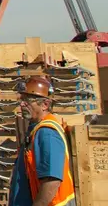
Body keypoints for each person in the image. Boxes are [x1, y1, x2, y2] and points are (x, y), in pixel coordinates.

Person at [8, 75, 75, 206]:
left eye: (27, 100)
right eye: (22, 99)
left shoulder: (47, 133)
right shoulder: (36, 130)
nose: (22, 104)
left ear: (45, 104)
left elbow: (51, 182)